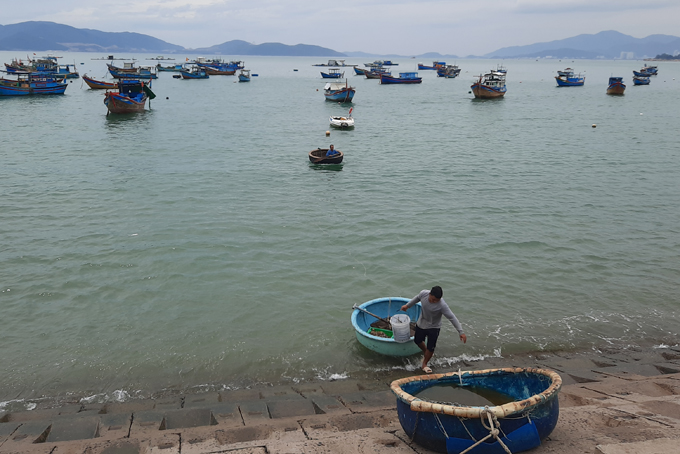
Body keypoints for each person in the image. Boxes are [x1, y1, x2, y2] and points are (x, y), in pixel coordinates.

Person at [400, 286, 466, 374]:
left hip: (434, 327)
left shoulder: (442, 305)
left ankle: (424, 364)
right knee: (417, 340)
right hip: (422, 323)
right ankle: (425, 352)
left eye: (437, 300)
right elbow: (417, 298)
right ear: (430, 294)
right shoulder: (424, 293)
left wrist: (461, 332)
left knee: (431, 348)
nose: (434, 302)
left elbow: (452, 317)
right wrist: (407, 306)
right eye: (433, 299)